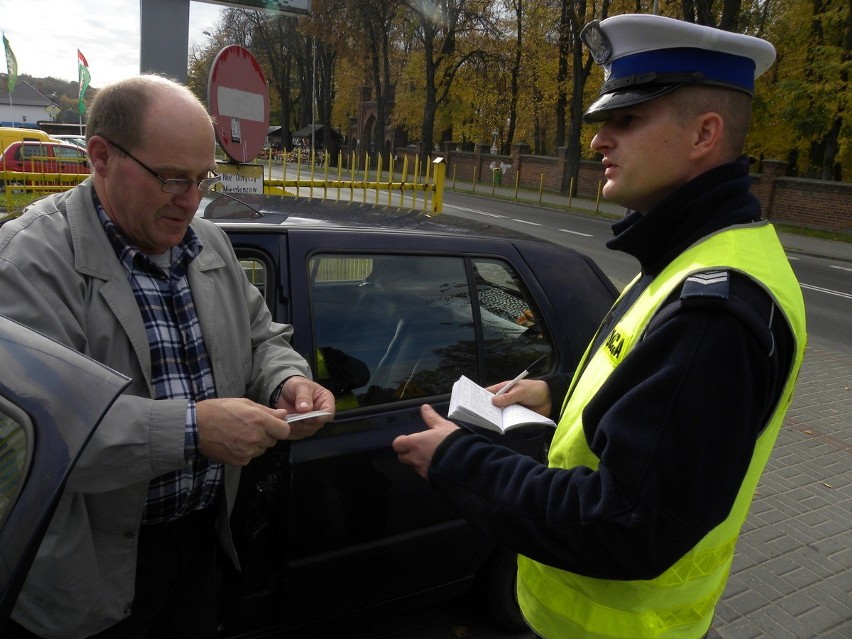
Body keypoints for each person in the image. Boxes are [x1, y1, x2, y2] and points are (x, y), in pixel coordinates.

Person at [393, 14, 807, 639]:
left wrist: (458, 462)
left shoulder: (713, 309)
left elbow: (626, 523)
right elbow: (649, 388)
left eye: (627, 120)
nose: (598, 142)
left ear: (704, 134)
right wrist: (554, 394)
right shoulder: (694, 253)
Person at [0, 75, 335, 639]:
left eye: (202, 178)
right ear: (101, 157)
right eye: (173, 178)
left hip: (201, 543)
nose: (191, 199)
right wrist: (192, 431)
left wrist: (287, 380)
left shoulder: (208, 243)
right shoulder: (29, 260)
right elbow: (40, 438)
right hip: (89, 568)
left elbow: (260, 338)